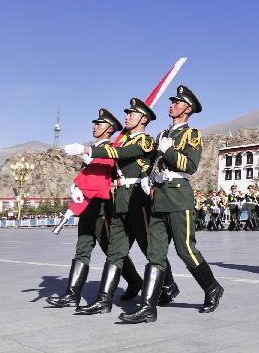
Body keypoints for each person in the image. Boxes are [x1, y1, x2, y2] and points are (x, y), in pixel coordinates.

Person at [120, 85, 223, 324]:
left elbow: (190, 166)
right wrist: (148, 178)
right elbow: (154, 163)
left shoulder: (192, 134)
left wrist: (170, 152)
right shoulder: (161, 135)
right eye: (172, 101)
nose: (172, 105)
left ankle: (212, 287)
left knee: (185, 250)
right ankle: (148, 307)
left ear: (187, 108)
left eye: (177, 102)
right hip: (159, 198)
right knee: (155, 255)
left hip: (178, 197)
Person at [68, 100, 182, 315]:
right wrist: (79, 183)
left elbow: (120, 154)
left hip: (139, 201)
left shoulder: (146, 141)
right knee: (115, 252)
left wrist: (86, 149)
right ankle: (104, 300)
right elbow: (109, 169)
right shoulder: (122, 143)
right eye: (127, 113)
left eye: (132, 114)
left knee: (150, 248)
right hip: (120, 201)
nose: (127, 117)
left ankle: (168, 285)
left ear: (143, 119)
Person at [50, 108, 142, 309]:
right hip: (86, 207)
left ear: (109, 129)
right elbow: (86, 175)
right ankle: (71, 294)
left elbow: (103, 176)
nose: (94, 126)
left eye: (99, 124)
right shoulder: (93, 149)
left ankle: (134, 280)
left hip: (102, 207)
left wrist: (87, 157)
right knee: (82, 249)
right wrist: (75, 187)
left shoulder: (109, 149)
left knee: (112, 250)